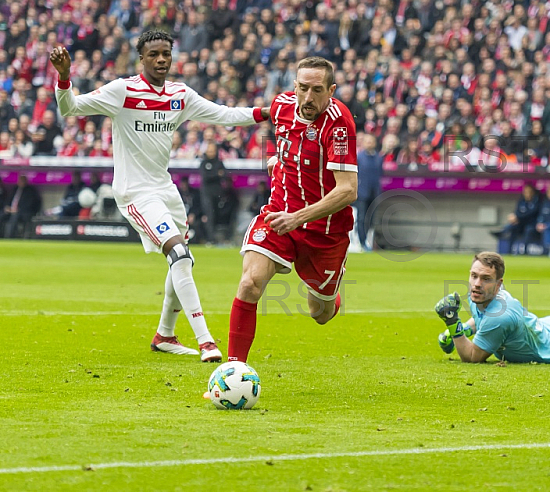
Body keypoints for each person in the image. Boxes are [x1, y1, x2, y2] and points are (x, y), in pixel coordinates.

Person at [50, 30, 271, 362]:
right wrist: (65, 78)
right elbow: (71, 109)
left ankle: (164, 335)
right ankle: (206, 341)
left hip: (166, 191)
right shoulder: (122, 90)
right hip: (135, 193)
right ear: (142, 58)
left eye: (166, 53)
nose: (161, 60)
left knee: (182, 260)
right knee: (180, 256)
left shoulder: (179, 95)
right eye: (154, 54)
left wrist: (265, 112)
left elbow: (223, 114)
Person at [227, 56, 358, 364]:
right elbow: (270, 126)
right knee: (249, 283)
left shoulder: (339, 125)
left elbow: (348, 189)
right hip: (278, 213)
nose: (308, 98)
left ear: (331, 90)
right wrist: (278, 163)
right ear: (293, 86)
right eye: (302, 88)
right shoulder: (282, 106)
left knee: (320, 313)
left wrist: (297, 217)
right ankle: (233, 371)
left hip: (324, 232)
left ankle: (330, 293)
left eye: (316, 90)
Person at [492, 183, 539, 255]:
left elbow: (531, 213)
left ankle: (525, 252)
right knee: (511, 227)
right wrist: (513, 216)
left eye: (529, 192)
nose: (527, 194)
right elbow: (517, 211)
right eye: (526, 192)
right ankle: (509, 250)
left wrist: (518, 217)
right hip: (520, 223)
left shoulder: (536, 201)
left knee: (528, 230)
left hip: (531, 223)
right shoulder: (521, 201)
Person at [355, 133, 383, 252]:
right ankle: (361, 242)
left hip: (374, 193)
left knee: (371, 219)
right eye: (367, 141)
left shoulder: (378, 157)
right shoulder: (359, 157)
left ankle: (367, 241)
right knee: (361, 218)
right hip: (362, 192)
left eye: (371, 141)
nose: (369, 143)